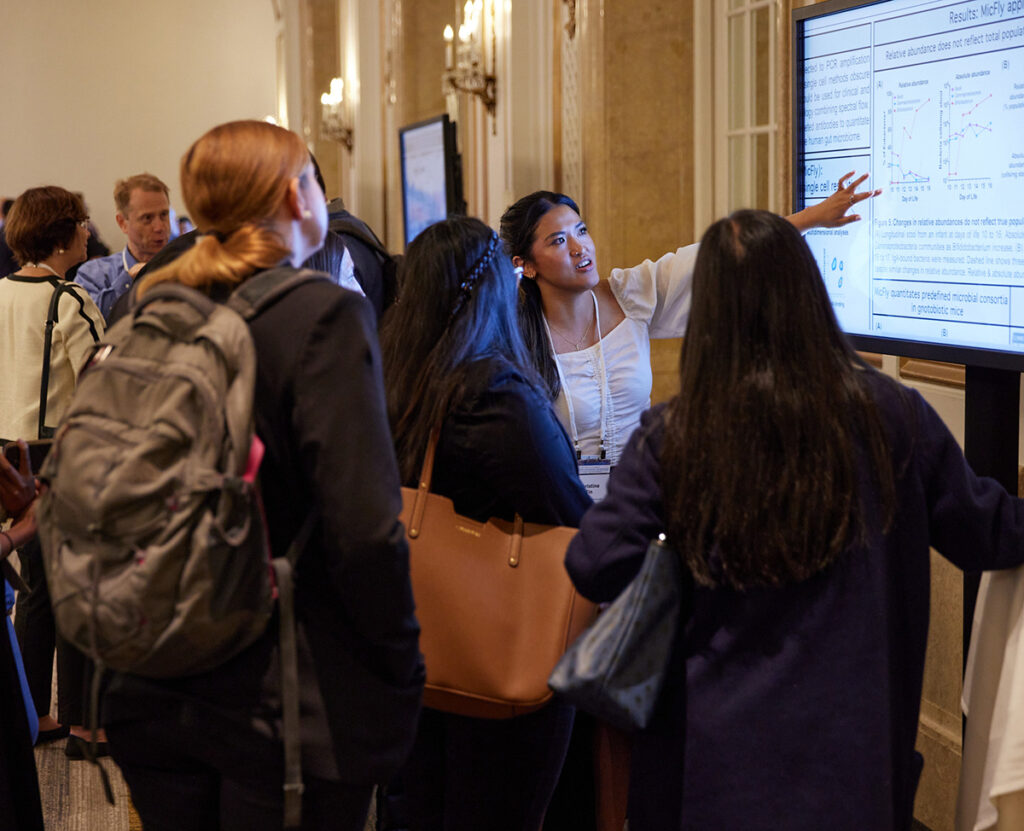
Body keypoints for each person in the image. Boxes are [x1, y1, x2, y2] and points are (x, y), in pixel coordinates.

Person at [564, 209, 1024, 831]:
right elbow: (991, 534)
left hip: (705, 770)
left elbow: (594, 563)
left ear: (711, 319)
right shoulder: (892, 415)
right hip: (853, 766)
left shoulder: (675, 438)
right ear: (809, 293)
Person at [100, 119, 423, 831]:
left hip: (151, 670)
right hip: (281, 692)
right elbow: (367, 531)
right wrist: (401, 666)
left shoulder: (148, 306)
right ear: (296, 195)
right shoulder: (321, 315)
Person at [379, 216, 591, 831]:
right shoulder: (490, 394)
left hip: (413, 644)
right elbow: (568, 513)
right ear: (492, 288)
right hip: (497, 652)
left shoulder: (392, 376)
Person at [499, 175, 881, 475]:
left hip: (641, 499)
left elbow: (723, 257)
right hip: (562, 513)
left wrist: (813, 217)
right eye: (559, 241)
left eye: (582, 231)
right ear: (526, 265)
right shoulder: (514, 340)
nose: (580, 248)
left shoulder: (630, 295)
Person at [0, 186, 104, 756]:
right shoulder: (70, 300)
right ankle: (87, 724)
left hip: (5, 456)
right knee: (79, 588)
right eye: (82, 223)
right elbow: (104, 378)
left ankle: (33, 711)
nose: (88, 232)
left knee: (36, 589)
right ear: (62, 234)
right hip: (57, 454)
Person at [73, 173, 172, 318]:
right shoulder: (94, 274)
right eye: (147, 218)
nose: (159, 227)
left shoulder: (187, 267)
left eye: (164, 215)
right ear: (122, 223)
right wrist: (128, 281)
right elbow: (89, 321)